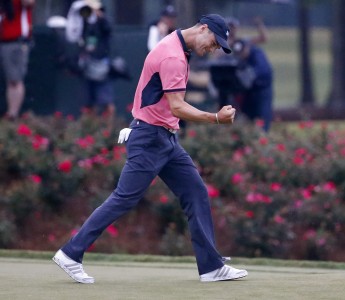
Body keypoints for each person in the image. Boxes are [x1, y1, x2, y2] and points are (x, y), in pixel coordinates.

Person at [53, 14, 248, 284]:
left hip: (164, 139)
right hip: (150, 138)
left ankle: (211, 267)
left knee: (195, 192)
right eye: (214, 43)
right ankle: (70, 253)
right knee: (124, 198)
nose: (213, 49)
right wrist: (215, 118)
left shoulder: (178, 46)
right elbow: (177, 106)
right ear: (203, 29)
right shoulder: (173, 56)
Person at [65, 0, 115, 119]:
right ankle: (90, 128)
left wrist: (98, 15)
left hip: (101, 68)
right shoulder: (84, 23)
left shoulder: (103, 23)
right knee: (88, 103)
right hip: (86, 68)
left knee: (106, 101)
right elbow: (74, 35)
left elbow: (108, 28)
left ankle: (108, 130)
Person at [0, 0, 35, 120]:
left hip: (16, 41)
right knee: (10, 80)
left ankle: (12, 114)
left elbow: (28, 2)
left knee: (15, 80)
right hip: (3, 40)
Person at [233, 38, 273, 132]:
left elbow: (261, 72)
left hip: (262, 91)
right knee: (247, 116)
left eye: (242, 52)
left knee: (262, 116)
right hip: (248, 92)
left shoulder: (257, 55)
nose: (240, 55)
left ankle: (263, 135)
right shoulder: (240, 58)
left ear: (246, 48)